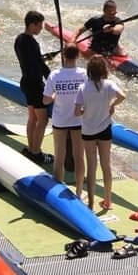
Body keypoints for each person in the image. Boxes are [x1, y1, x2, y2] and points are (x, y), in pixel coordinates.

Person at [74, 55, 125, 210]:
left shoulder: (83, 88)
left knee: (91, 166)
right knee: (106, 164)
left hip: (88, 131)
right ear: (104, 70)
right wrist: (112, 104)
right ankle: (108, 201)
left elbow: (77, 112)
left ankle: (90, 203)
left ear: (89, 71)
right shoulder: (109, 85)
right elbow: (122, 96)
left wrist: (83, 111)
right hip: (105, 130)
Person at [43, 44, 87, 192]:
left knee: (59, 155)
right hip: (78, 120)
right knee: (79, 156)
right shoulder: (84, 74)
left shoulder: (55, 75)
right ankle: (79, 190)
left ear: (63, 56)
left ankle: (58, 187)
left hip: (60, 120)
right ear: (78, 56)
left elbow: (45, 100)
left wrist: (57, 95)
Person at [14, 10, 51, 165]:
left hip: (26, 83)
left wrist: (41, 58)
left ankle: (31, 148)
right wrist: (53, 79)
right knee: (42, 120)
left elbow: (32, 60)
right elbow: (40, 66)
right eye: (40, 25)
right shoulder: (32, 43)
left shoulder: (19, 40)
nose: (41, 28)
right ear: (32, 25)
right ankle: (36, 153)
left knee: (32, 117)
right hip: (35, 84)